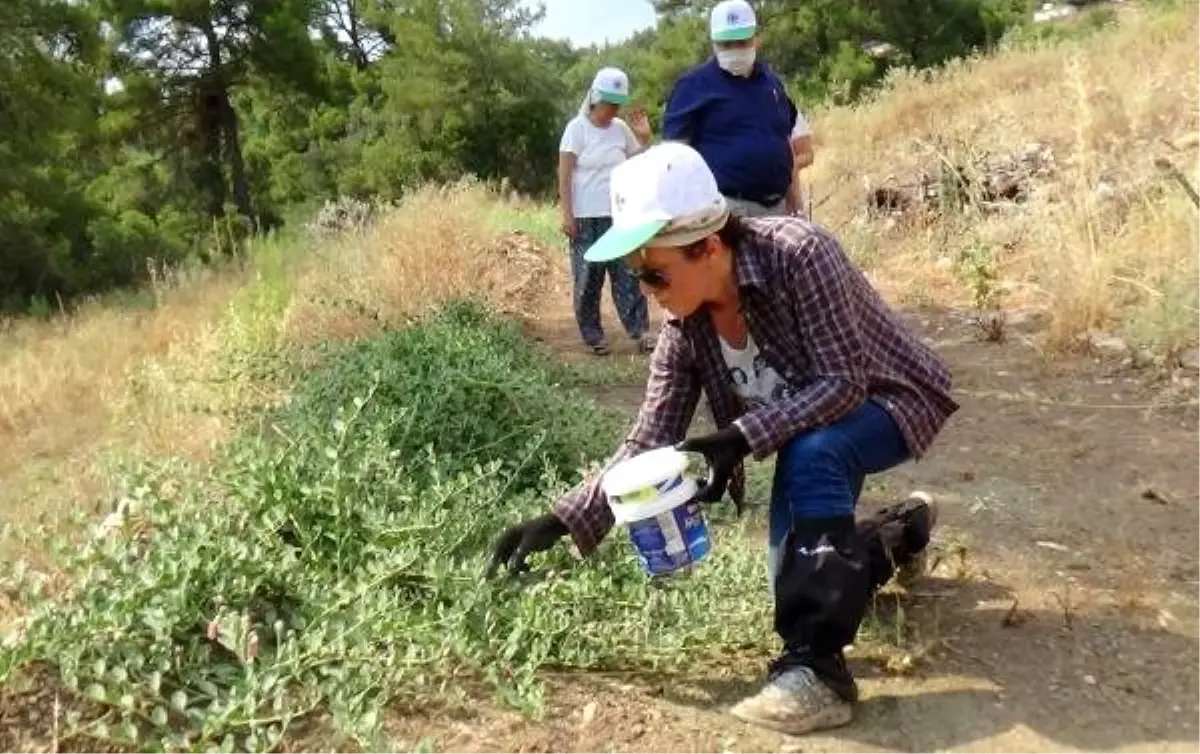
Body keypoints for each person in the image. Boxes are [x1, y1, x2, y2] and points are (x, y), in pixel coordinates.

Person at [490, 142, 960, 736]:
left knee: (812, 455)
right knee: (797, 578)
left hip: (890, 398)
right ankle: (902, 531)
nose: (647, 290)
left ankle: (819, 674)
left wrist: (737, 438)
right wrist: (562, 521)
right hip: (820, 419)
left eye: (654, 273)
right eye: (637, 276)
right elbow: (648, 440)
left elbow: (843, 384)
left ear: (709, 246)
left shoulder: (800, 254)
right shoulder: (685, 330)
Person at [661, 0, 810, 218]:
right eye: (726, 44)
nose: (735, 50)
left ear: (756, 39)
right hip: (726, 211)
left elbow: (786, 145)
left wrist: (796, 205)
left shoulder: (771, 84)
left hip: (778, 210)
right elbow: (674, 158)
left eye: (742, 42)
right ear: (713, 43)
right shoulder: (692, 87)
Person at [558, 66, 655, 356]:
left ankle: (640, 331)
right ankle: (593, 335)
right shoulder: (576, 129)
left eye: (617, 104)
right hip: (586, 216)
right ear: (595, 98)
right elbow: (564, 173)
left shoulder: (621, 130)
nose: (613, 110)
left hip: (620, 215)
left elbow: (639, 162)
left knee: (628, 274)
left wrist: (645, 138)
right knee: (588, 277)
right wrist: (567, 214)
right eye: (609, 104)